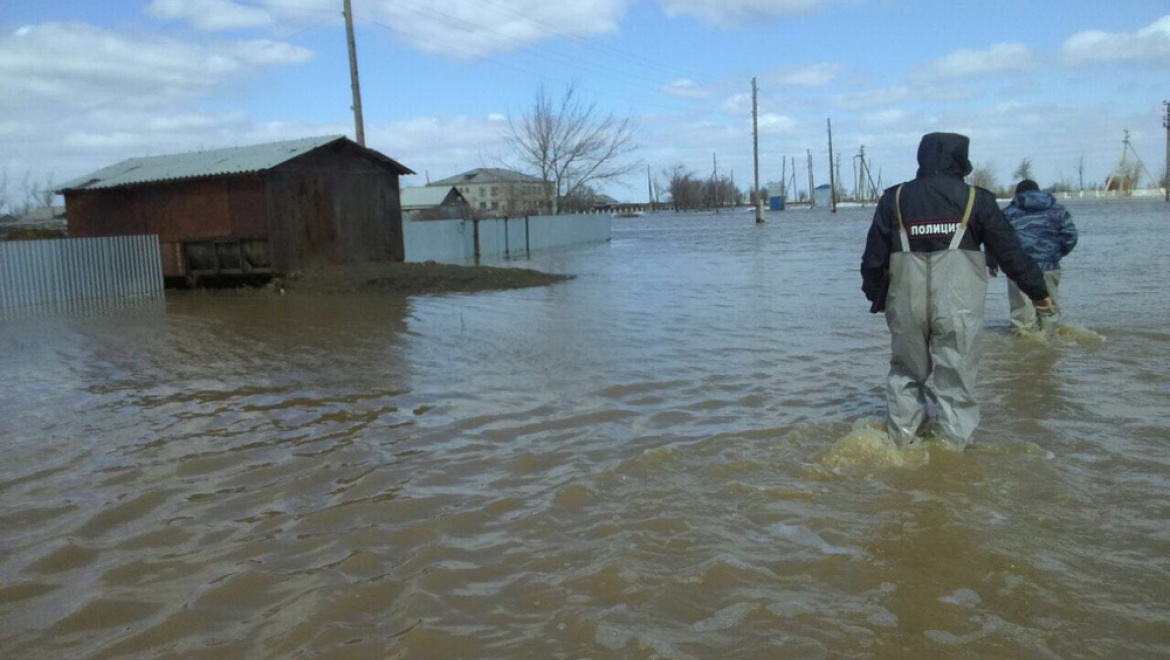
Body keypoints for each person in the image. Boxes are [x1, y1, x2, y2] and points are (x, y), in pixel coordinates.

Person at [860, 132, 1052, 448]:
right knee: (956, 378)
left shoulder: (894, 199)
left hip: (905, 302)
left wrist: (877, 297)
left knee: (906, 373)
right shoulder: (977, 199)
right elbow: (1010, 252)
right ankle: (951, 454)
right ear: (961, 160)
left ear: (922, 157)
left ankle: (904, 446)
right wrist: (1037, 292)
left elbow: (872, 260)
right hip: (957, 303)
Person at [991, 179, 1077, 334]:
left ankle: (1025, 350)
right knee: (1049, 309)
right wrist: (1055, 254)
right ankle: (1050, 348)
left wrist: (994, 261)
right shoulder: (1058, 211)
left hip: (1018, 267)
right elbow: (1070, 237)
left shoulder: (1008, 213)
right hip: (1049, 266)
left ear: (1017, 194)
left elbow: (997, 239)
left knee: (1022, 316)